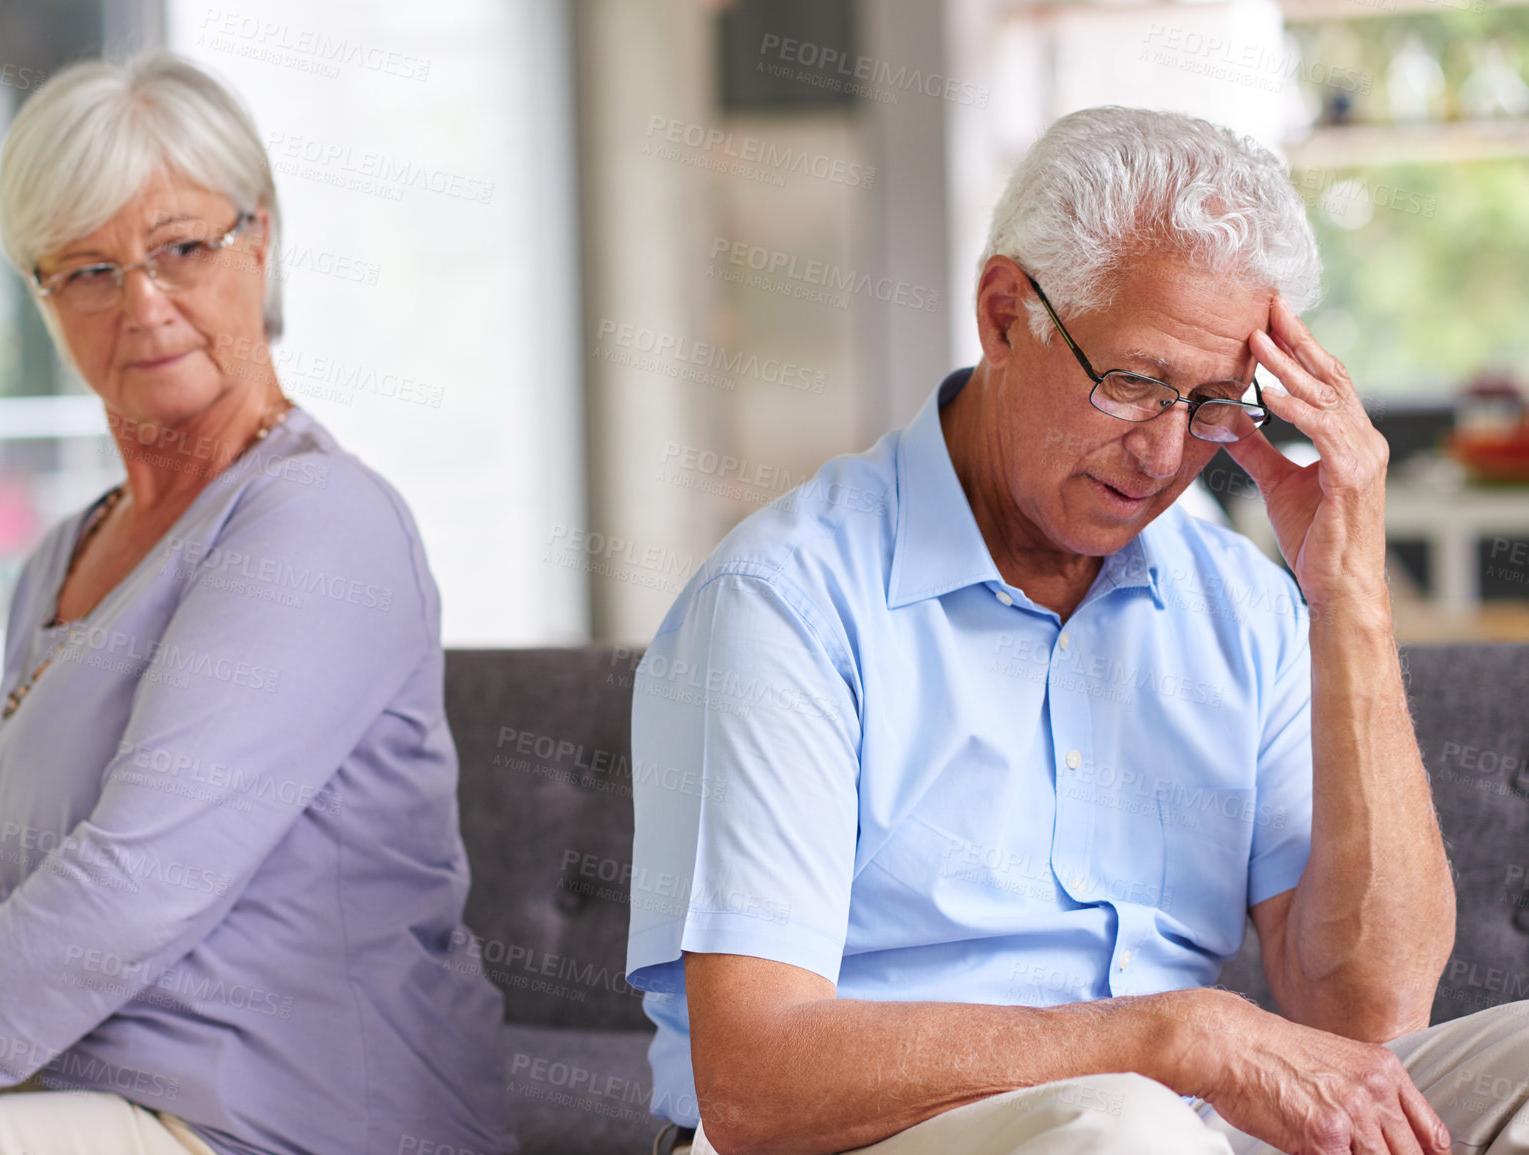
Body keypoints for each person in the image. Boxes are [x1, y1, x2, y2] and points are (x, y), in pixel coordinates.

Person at [626, 107, 1529, 1155]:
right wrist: (1171, 1037)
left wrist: (1351, 602)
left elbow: (1368, 1025)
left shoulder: (1241, 603)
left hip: (1182, 1131)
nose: (1161, 456)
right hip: (884, 1140)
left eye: (1215, 404)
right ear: (1007, 314)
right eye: (1134, 382)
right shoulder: (785, 601)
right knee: (1123, 1123)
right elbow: (753, 1084)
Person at [0, 52, 516, 1155]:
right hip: (94, 1103)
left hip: (284, 1124)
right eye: (84, 269)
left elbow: (139, 880)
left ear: (260, 239)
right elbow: (41, 901)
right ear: (41, 298)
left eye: (180, 247)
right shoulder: (59, 557)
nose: (142, 302)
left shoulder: (321, 521)